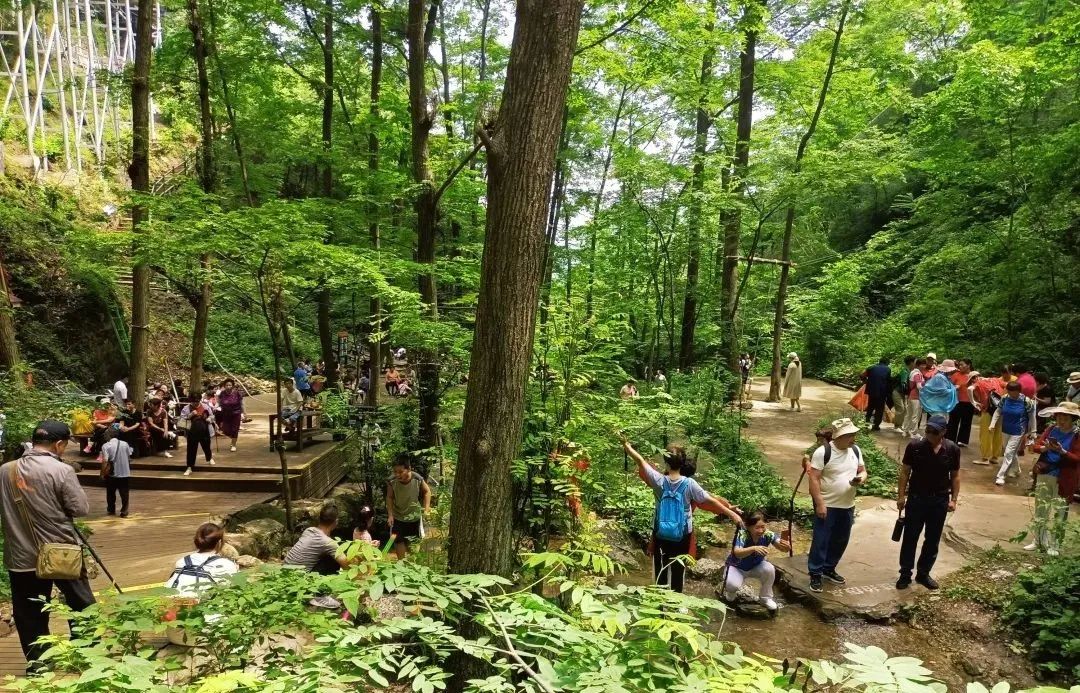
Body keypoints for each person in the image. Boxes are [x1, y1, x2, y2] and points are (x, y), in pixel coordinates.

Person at [0, 421, 95, 666]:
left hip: (20, 555)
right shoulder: (61, 470)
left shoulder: (5, 470)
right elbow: (80, 508)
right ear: (59, 444)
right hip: (61, 552)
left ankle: (38, 666)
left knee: (28, 612)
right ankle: (86, 658)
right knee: (81, 605)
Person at [622, 439, 743, 593]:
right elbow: (710, 500)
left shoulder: (658, 480)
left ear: (666, 463)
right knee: (678, 570)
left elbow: (640, 461)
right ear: (683, 463)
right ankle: (677, 601)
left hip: (660, 533)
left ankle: (659, 601)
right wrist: (731, 513)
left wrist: (627, 446)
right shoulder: (690, 484)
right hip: (683, 534)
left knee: (660, 570)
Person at [895, 415, 960, 590]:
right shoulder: (915, 446)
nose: (930, 434)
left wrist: (954, 500)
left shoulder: (952, 449)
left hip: (939, 500)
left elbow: (955, 476)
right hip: (917, 498)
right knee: (910, 537)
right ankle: (905, 573)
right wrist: (901, 496)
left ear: (943, 432)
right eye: (928, 430)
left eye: (934, 432)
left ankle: (923, 573)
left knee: (932, 539)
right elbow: (905, 472)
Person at [807, 418, 867, 593]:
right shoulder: (823, 452)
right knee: (821, 539)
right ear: (839, 436)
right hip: (828, 504)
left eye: (853, 434)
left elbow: (863, 471)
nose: (853, 438)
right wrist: (820, 503)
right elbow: (814, 478)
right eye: (850, 435)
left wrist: (860, 479)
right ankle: (815, 573)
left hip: (847, 504)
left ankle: (829, 568)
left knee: (841, 539)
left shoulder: (855, 450)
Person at [1027, 402, 1080, 555]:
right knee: (1041, 507)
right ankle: (1038, 541)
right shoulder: (1051, 429)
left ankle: (1055, 545)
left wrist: (1062, 451)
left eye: (1065, 418)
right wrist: (1045, 448)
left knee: (1060, 510)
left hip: (1063, 477)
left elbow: (1077, 458)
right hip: (1045, 472)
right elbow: (1036, 447)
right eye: (1059, 417)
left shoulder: (1077, 435)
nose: (1061, 421)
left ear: (1072, 419)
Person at [721, 510, 790, 613]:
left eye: (763, 526)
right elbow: (737, 552)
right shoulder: (742, 534)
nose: (761, 530)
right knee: (732, 585)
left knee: (770, 569)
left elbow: (780, 546)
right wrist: (753, 548)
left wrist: (786, 547)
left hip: (756, 566)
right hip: (737, 567)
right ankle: (730, 593)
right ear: (748, 526)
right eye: (757, 527)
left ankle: (765, 598)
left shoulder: (768, 534)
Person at [165, 523, 239, 595]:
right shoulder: (226, 564)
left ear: (197, 541)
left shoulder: (182, 561)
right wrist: (235, 570)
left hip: (172, 600)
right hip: (201, 602)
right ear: (219, 543)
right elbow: (231, 590)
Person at [284, 504, 352, 574]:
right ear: (336, 521)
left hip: (283, 571)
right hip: (297, 576)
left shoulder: (308, 530)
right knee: (332, 558)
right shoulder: (328, 542)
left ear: (320, 518)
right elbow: (347, 566)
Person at [990, 381, 1036, 486]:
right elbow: (998, 411)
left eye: (1013, 392)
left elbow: (1032, 417)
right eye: (1009, 391)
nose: (1011, 394)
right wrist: (992, 424)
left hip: (1018, 431)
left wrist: (1033, 431)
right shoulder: (1004, 398)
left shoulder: (1026, 401)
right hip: (1005, 429)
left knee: (1008, 453)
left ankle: (1001, 476)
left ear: (1019, 391)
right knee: (1010, 451)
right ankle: (1016, 469)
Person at [386, 456, 431, 559]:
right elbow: (389, 497)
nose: (397, 475)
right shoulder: (391, 481)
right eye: (395, 472)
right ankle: (401, 563)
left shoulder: (417, 478)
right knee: (398, 540)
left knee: (414, 543)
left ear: (409, 469)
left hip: (414, 516)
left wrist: (426, 509)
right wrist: (390, 515)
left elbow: (427, 492)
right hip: (398, 516)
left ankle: (412, 564)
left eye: (400, 472)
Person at [971, 371, 1004, 465]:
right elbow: (1008, 386)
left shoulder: (979, 382)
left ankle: (985, 458)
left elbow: (969, 389)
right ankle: (995, 457)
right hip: (999, 409)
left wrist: (973, 402)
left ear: (975, 378)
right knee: (998, 433)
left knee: (986, 433)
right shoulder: (997, 380)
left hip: (987, 410)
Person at [100, 428, 133, 517]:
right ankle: (124, 511)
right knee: (124, 493)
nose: (104, 436)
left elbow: (105, 461)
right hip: (125, 473)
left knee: (110, 493)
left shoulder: (106, 446)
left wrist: (102, 473)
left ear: (109, 435)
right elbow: (129, 457)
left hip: (112, 473)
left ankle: (111, 509)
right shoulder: (125, 444)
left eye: (105, 434)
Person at [181, 395, 215, 476]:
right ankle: (189, 467)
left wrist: (209, 419)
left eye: (197, 401)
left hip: (204, 430)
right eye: (193, 402)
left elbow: (212, 416)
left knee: (206, 446)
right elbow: (182, 420)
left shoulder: (205, 406)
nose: (195, 403)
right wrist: (190, 415)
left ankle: (209, 458)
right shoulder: (186, 408)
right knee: (191, 449)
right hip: (192, 432)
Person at [945, 359, 976, 446]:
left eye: (962, 364)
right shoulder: (956, 375)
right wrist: (955, 387)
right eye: (959, 365)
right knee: (953, 421)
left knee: (966, 422)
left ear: (968, 365)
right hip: (956, 401)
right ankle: (950, 438)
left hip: (969, 402)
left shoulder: (974, 376)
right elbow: (948, 387)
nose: (960, 366)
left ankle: (962, 440)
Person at [861, 357, 892, 431]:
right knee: (879, 409)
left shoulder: (871, 367)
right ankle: (876, 426)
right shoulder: (888, 369)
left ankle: (866, 424)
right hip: (882, 392)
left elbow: (862, 375)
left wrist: (866, 382)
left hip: (871, 391)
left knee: (870, 407)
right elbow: (888, 381)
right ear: (887, 363)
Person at [903, 358, 929, 437]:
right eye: (922, 365)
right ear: (918, 365)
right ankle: (913, 432)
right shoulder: (918, 374)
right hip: (917, 397)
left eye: (924, 364)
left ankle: (905, 430)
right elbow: (919, 386)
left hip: (911, 396)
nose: (924, 366)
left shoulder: (912, 372)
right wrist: (926, 389)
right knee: (916, 415)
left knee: (909, 414)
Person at [217, 379, 244, 453]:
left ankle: (233, 445)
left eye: (230, 385)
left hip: (236, 413)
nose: (228, 386)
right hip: (225, 414)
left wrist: (244, 413)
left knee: (235, 429)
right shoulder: (222, 393)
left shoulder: (237, 393)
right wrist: (215, 407)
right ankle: (233, 438)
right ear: (224, 386)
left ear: (232, 386)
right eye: (227, 385)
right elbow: (219, 402)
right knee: (225, 430)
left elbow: (241, 404)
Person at [893, 356, 915, 433]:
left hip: (902, 393)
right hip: (897, 392)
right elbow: (903, 384)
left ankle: (900, 425)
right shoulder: (905, 371)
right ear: (911, 362)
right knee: (901, 409)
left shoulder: (910, 371)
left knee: (905, 410)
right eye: (915, 362)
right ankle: (896, 426)